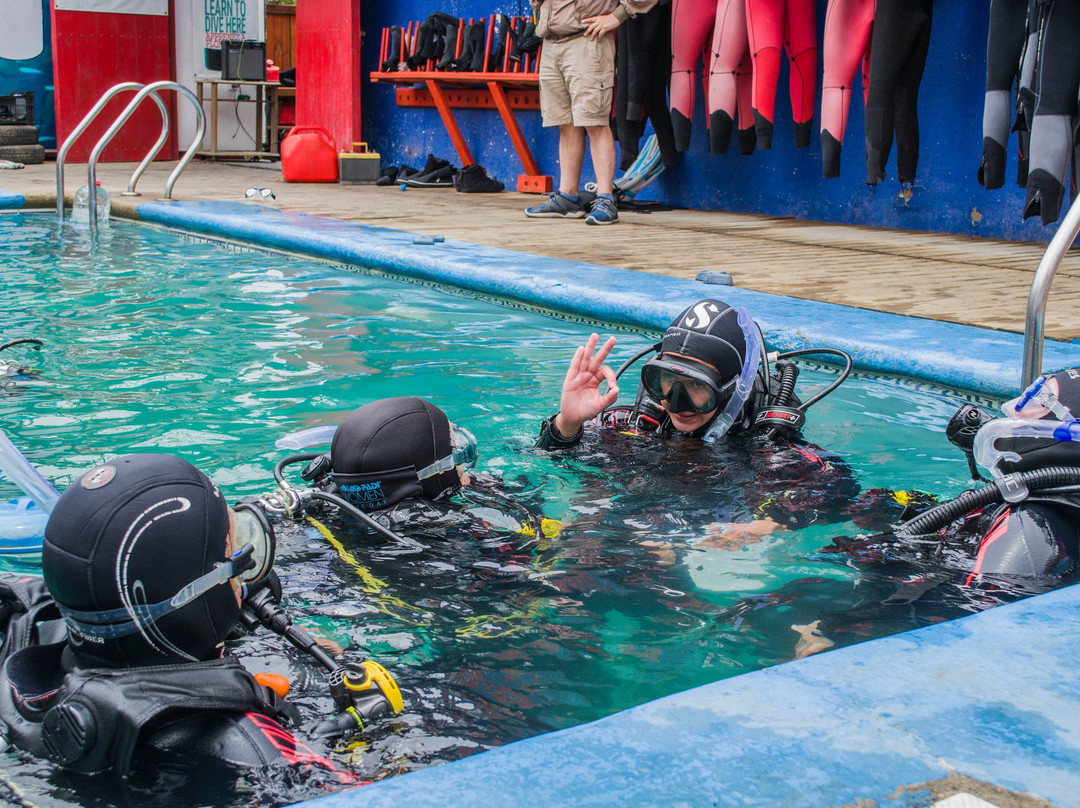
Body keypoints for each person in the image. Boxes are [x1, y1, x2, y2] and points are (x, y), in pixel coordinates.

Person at [0, 453, 397, 787]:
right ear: (191, 597)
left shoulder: (24, 630)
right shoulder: (251, 751)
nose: (249, 566)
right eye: (234, 552)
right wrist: (365, 736)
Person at [524, 0, 658, 226]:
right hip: (551, 42)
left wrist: (618, 16)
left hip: (587, 40)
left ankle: (606, 199)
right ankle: (567, 197)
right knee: (565, 123)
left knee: (595, 122)